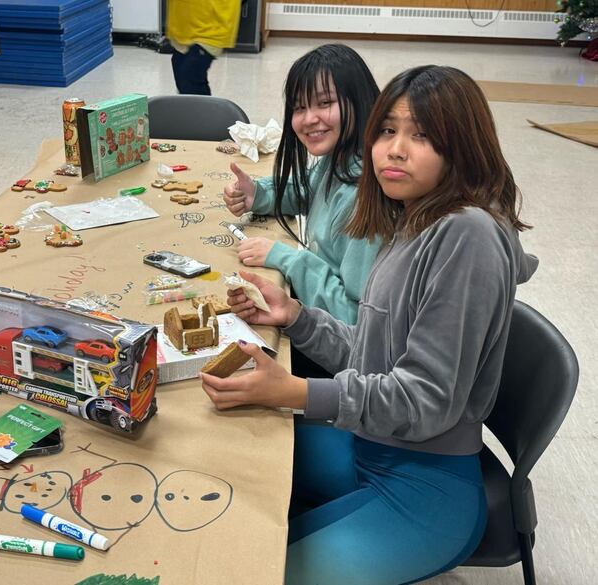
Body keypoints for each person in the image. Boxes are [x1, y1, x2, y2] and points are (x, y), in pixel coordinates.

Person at [202, 65, 539, 585]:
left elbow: (426, 399)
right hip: (370, 446)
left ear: (463, 145)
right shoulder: (415, 216)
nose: (395, 149)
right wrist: (297, 317)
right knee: (230, 456)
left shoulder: (467, 237)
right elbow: (377, 351)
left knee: (259, 569)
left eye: (421, 135)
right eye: (387, 131)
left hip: (427, 488)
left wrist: (297, 391)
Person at [223, 43, 382, 326]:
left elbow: (358, 320)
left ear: (359, 100)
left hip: (339, 351)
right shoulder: (342, 159)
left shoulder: (363, 200)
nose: (309, 119)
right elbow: (306, 189)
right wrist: (259, 194)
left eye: (324, 103)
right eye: (299, 107)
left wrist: (288, 260)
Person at [165, 0, 241, 95]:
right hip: (182, 26)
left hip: (210, 27)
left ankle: (202, 109)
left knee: (189, 76)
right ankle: (189, 108)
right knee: (183, 77)